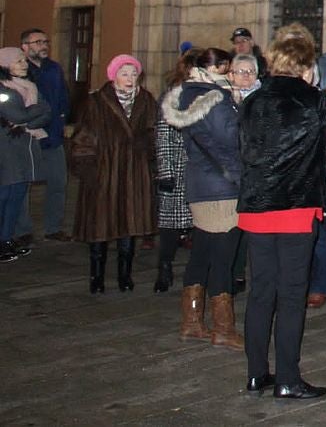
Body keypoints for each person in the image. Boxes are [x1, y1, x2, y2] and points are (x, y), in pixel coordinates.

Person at [237, 35, 326, 400]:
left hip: (256, 207)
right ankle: (287, 378)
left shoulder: (252, 101)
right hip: (294, 207)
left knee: (260, 294)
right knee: (290, 296)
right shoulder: (308, 97)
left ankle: (257, 373)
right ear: (305, 68)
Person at [161, 47, 244, 349]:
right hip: (224, 187)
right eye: (227, 69)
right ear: (215, 70)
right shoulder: (216, 99)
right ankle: (223, 328)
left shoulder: (184, 96)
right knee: (223, 258)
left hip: (200, 184)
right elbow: (233, 140)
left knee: (202, 254)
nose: (231, 75)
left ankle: (191, 323)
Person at [69, 55, 157, 294]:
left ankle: (124, 274)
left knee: (129, 224)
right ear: (114, 75)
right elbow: (83, 137)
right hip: (104, 172)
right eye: (124, 74)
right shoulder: (96, 102)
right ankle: (96, 276)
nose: (130, 79)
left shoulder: (146, 100)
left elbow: (154, 130)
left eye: (134, 74)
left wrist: (147, 146)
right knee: (100, 225)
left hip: (133, 172)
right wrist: (88, 170)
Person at [16, 28, 71, 242]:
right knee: (23, 184)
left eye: (45, 41)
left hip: (54, 135)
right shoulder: (19, 69)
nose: (44, 45)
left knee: (58, 181)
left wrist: (64, 119)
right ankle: (22, 230)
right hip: (27, 135)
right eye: (38, 42)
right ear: (25, 47)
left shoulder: (54, 68)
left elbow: (63, 96)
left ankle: (53, 227)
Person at [153, 51, 200, 294]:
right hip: (178, 167)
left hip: (200, 167)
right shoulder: (172, 96)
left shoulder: (207, 96)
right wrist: (166, 172)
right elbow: (163, 137)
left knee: (199, 223)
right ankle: (165, 265)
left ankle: (196, 273)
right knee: (171, 223)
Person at [0, 49, 52, 262]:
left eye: (24, 60)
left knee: (18, 195)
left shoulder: (30, 87)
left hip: (25, 146)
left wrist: (29, 119)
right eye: (18, 61)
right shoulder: (3, 89)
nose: (24, 64)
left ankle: (7, 238)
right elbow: (17, 114)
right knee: (5, 195)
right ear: (5, 65)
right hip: (6, 149)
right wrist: (35, 111)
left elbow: (46, 113)